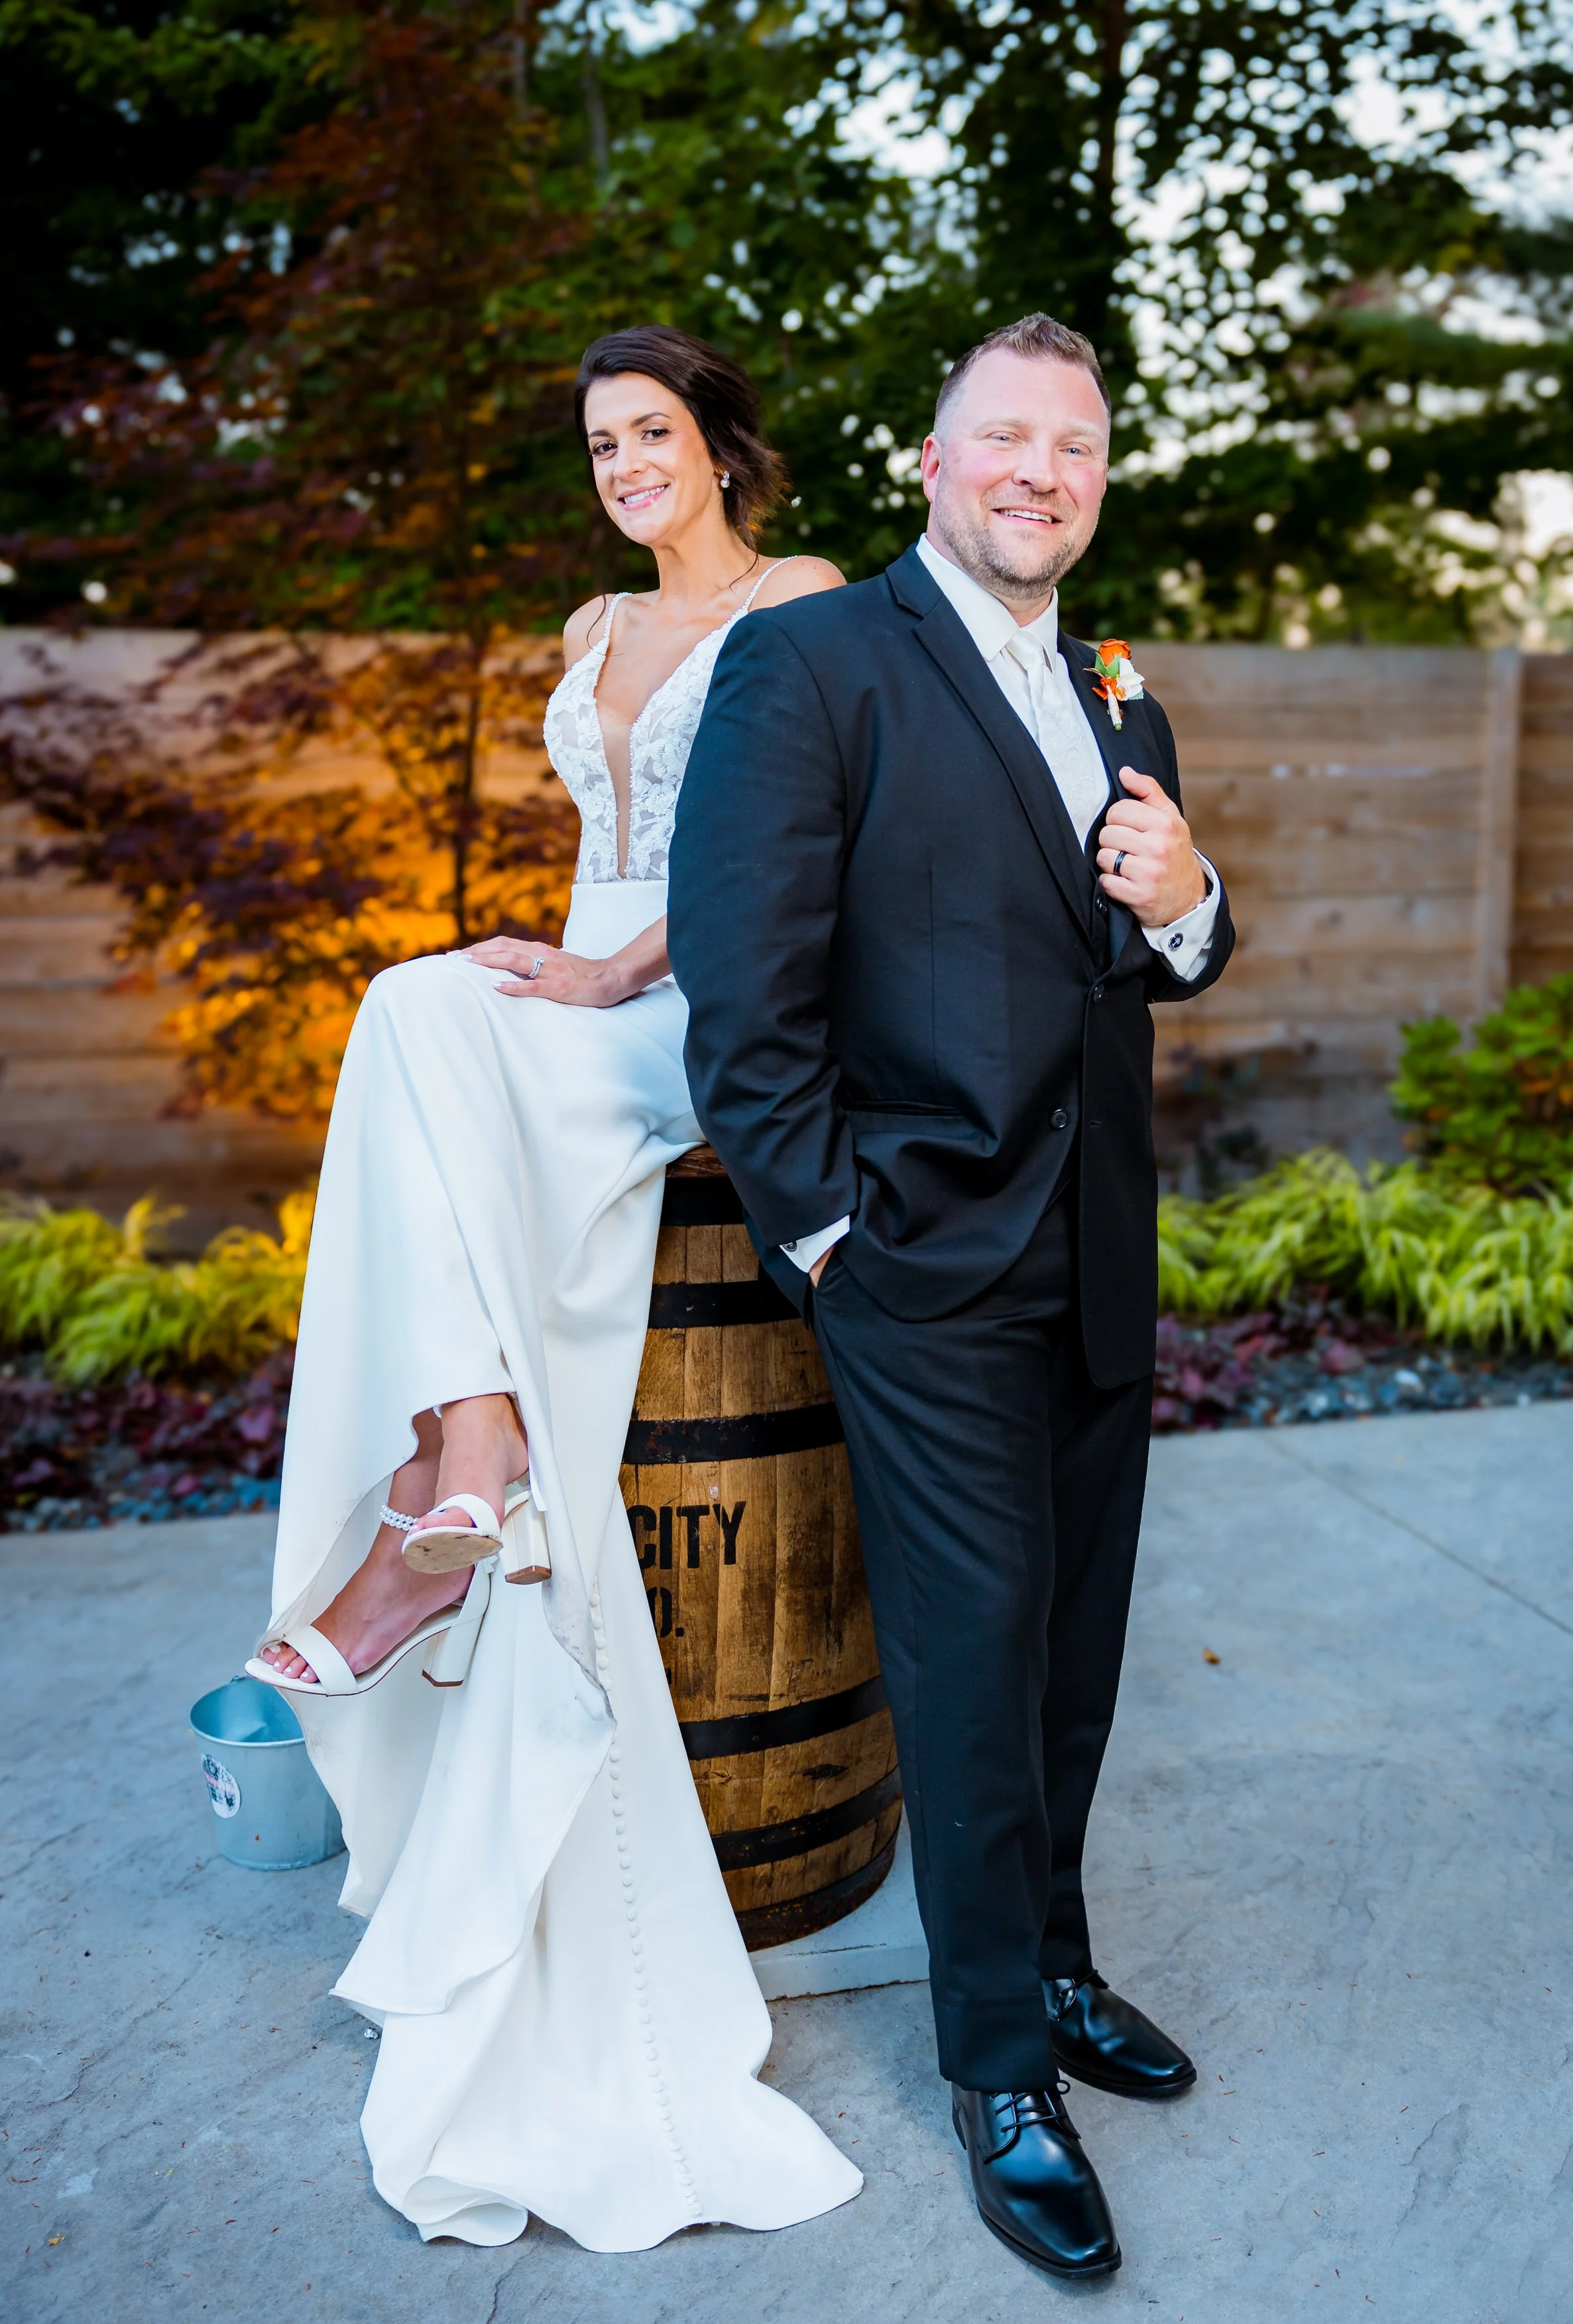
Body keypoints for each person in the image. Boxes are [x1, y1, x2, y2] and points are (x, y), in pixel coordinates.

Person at [245, 324, 860, 2250]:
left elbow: (799, 838)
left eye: (649, 432)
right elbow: (593, 836)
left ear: (719, 445)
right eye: (598, 441)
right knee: (421, 999)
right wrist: (568, 959)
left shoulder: (805, 600)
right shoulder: (589, 621)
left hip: (719, 987)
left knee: (420, 1005)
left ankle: (455, 1473)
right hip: (584, 977)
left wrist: (616, 973)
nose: (621, 463)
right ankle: (473, 1457)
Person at [669, 312, 1236, 2281]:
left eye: (1073, 448)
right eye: (1005, 439)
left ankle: (1058, 1969)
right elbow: (743, 1002)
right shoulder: (811, 662)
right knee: (974, 1667)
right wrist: (831, 1242)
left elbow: (1161, 955)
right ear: (930, 462)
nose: (1039, 474)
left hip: (1094, 1246)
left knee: (1075, 1648)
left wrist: (1191, 906)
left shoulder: (1117, 689)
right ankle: (1000, 2070)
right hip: (913, 1266)